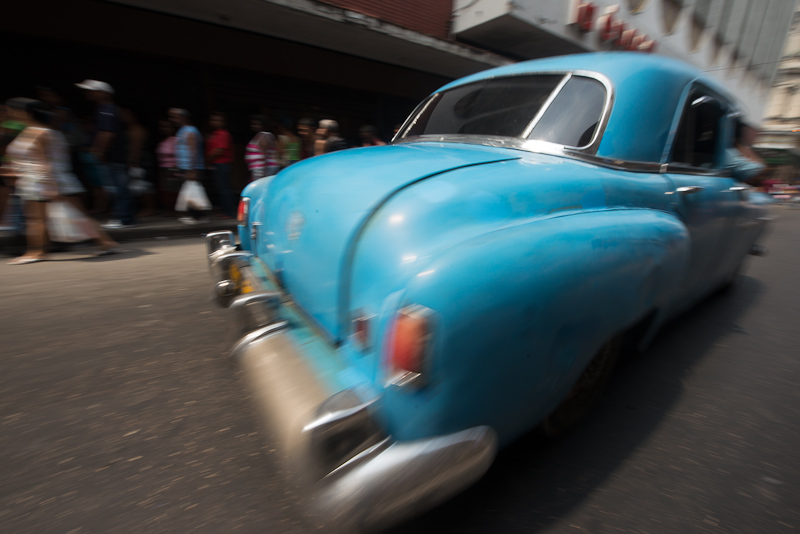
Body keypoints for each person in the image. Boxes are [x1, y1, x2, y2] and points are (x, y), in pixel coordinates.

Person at [75, 79, 135, 229]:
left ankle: (123, 218)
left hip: (113, 157)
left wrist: (98, 151)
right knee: (117, 188)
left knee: (117, 189)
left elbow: (107, 133)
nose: (88, 94)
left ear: (103, 93)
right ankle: (125, 218)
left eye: (91, 91)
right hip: (114, 157)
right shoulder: (105, 109)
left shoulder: (106, 109)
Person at [169, 108, 210, 224]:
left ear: (184, 118)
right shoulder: (182, 130)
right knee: (190, 192)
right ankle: (195, 216)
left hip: (191, 167)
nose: (173, 119)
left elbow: (193, 150)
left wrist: (192, 168)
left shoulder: (190, 130)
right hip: (186, 167)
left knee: (193, 193)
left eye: (175, 117)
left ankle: (198, 217)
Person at [205, 112, 235, 218]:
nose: (215, 122)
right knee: (220, 188)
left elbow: (219, 150)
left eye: (218, 120)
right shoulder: (214, 134)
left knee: (224, 189)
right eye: (213, 120)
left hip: (222, 164)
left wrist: (207, 159)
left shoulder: (223, 134)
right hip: (216, 164)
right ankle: (224, 209)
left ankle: (229, 212)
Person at [726, 120, 766, 187]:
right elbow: (756, 170)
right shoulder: (729, 152)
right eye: (754, 133)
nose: (755, 137)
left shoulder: (734, 151)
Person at [155, 119, 179, 215]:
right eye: (162, 127)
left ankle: (176, 210)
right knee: (165, 191)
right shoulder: (162, 141)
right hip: (163, 168)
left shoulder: (175, 140)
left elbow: (179, 155)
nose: (164, 129)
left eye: (167, 127)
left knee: (173, 190)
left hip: (172, 168)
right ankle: (169, 209)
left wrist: (174, 168)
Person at [245, 115, 278, 181]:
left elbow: (264, 155)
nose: (254, 126)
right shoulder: (260, 135)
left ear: (264, 125)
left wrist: (263, 172)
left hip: (261, 169)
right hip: (259, 168)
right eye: (253, 124)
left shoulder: (265, 136)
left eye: (257, 124)